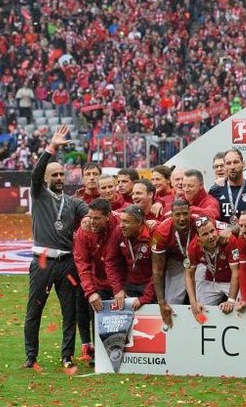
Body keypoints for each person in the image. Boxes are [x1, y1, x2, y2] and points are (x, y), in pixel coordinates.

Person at [23, 124, 89, 369]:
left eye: (62, 174)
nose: (59, 178)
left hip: (66, 263)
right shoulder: (39, 194)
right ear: (47, 178)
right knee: (34, 311)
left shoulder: (73, 203)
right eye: (55, 175)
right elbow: (35, 173)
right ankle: (31, 356)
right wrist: (51, 148)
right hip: (42, 261)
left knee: (69, 311)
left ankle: (66, 355)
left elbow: (95, 214)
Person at [72, 198, 117, 365]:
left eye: (96, 218)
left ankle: (130, 354)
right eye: (89, 217)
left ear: (108, 217)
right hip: (99, 281)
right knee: (98, 314)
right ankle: (100, 355)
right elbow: (81, 263)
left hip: (120, 281)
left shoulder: (120, 224)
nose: (91, 222)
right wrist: (91, 292)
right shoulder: (83, 232)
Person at [184, 216, 246, 322]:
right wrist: (193, 302)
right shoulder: (193, 247)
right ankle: (202, 333)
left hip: (231, 281)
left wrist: (231, 300)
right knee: (200, 311)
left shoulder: (229, 240)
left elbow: (236, 272)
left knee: (239, 308)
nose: (211, 237)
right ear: (198, 237)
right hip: (211, 280)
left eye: (212, 231)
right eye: (205, 234)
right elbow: (189, 275)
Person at [150, 199, 195, 327]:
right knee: (172, 301)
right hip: (176, 261)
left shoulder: (199, 222)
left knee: (202, 300)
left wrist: (229, 230)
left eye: (185, 214)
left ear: (190, 213)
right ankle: (175, 333)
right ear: (171, 215)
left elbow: (225, 228)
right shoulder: (160, 232)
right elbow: (157, 270)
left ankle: (202, 326)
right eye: (177, 215)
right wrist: (161, 302)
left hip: (199, 261)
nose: (182, 218)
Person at [104, 205, 157, 310]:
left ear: (140, 223)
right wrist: (118, 289)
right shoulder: (119, 231)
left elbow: (159, 269)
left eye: (126, 222)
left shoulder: (155, 235)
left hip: (153, 285)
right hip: (131, 284)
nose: (122, 225)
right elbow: (111, 262)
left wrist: (146, 297)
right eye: (121, 221)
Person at [209, 149, 246, 224]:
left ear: (243, 164)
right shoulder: (215, 191)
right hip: (223, 235)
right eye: (228, 163)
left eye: (236, 162)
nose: (232, 166)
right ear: (225, 166)